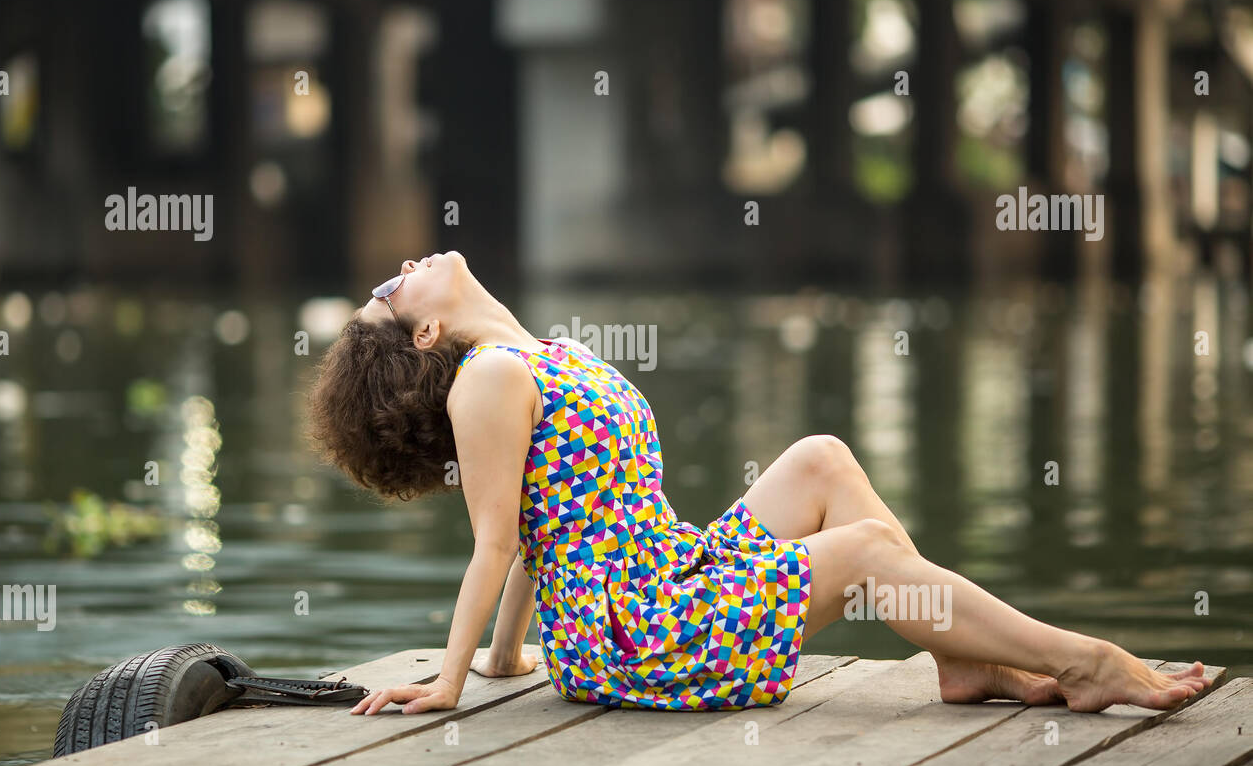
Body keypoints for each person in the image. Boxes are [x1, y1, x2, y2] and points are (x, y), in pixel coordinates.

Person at [306, 251, 1211, 716]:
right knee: (859, 552)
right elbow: (497, 541)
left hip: (671, 581)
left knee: (821, 457)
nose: (409, 265)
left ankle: (963, 657)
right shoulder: (487, 380)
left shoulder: (544, 355)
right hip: (641, 633)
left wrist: (512, 659)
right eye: (394, 287)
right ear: (422, 336)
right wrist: (457, 682)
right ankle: (1080, 662)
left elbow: (540, 531)